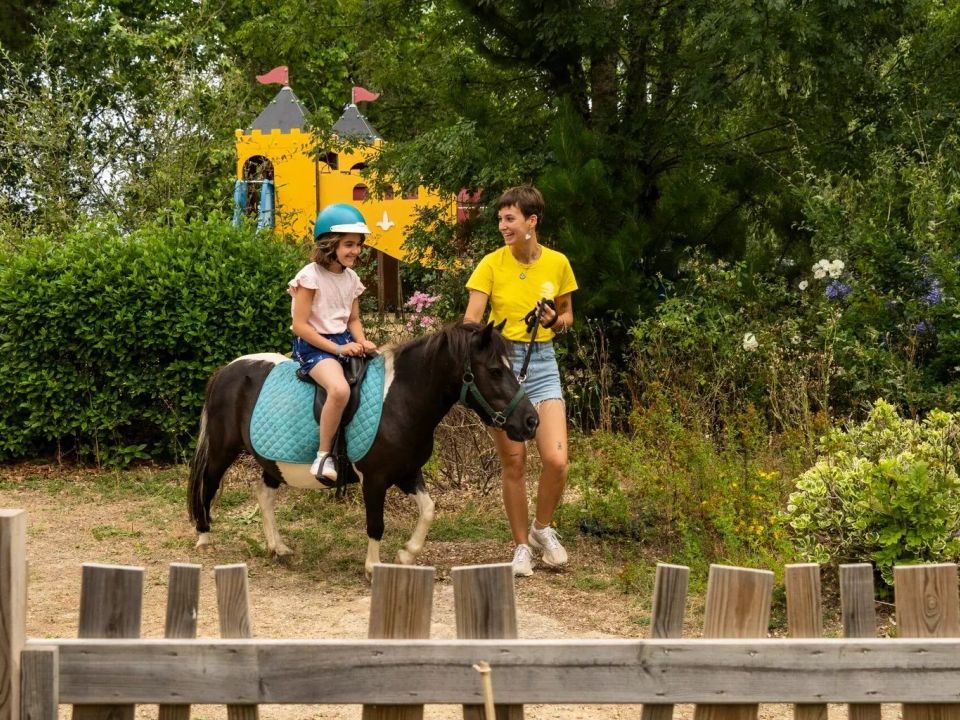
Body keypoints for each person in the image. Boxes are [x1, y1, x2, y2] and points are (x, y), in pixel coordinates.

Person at [463, 185, 578, 576]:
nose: (502, 225)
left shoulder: (558, 263)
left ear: (532, 221)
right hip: (502, 367)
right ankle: (520, 548)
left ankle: (542, 529)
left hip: (543, 362)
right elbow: (470, 321)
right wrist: (486, 348)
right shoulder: (491, 265)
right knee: (514, 463)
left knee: (557, 460)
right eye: (500, 219)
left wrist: (553, 321)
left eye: (509, 218)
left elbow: (567, 318)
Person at [289, 203, 377, 482]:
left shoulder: (351, 278)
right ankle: (323, 455)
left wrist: (362, 341)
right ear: (330, 245)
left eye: (359, 245)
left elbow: (352, 320)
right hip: (313, 347)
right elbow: (300, 326)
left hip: (345, 341)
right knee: (339, 389)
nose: (356, 251)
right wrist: (339, 349)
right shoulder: (309, 276)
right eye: (349, 244)